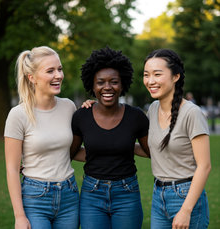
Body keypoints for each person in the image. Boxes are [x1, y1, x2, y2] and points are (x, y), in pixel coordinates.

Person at [70, 47, 150, 229]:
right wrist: (33, 161)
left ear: (122, 85)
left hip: (127, 194)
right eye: (100, 82)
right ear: (92, 85)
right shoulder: (81, 116)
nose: (107, 87)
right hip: (92, 194)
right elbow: (68, 153)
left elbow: (151, 151)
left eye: (114, 82)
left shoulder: (136, 117)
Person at [4, 46, 80, 229]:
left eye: (60, 69)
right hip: (35, 198)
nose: (58, 75)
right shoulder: (18, 115)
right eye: (50, 71)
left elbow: (72, 151)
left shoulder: (69, 107)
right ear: (32, 78)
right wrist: (19, 216)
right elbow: (12, 170)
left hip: (69, 195)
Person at [143, 48, 211, 228]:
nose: (150, 81)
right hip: (159, 195)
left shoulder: (192, 113)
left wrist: (186, 210)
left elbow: (204, 166)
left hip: (186, 196)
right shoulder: (152, 109)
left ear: (176, 77)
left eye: (157, 74)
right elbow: (155, 149)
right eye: (146, 75)